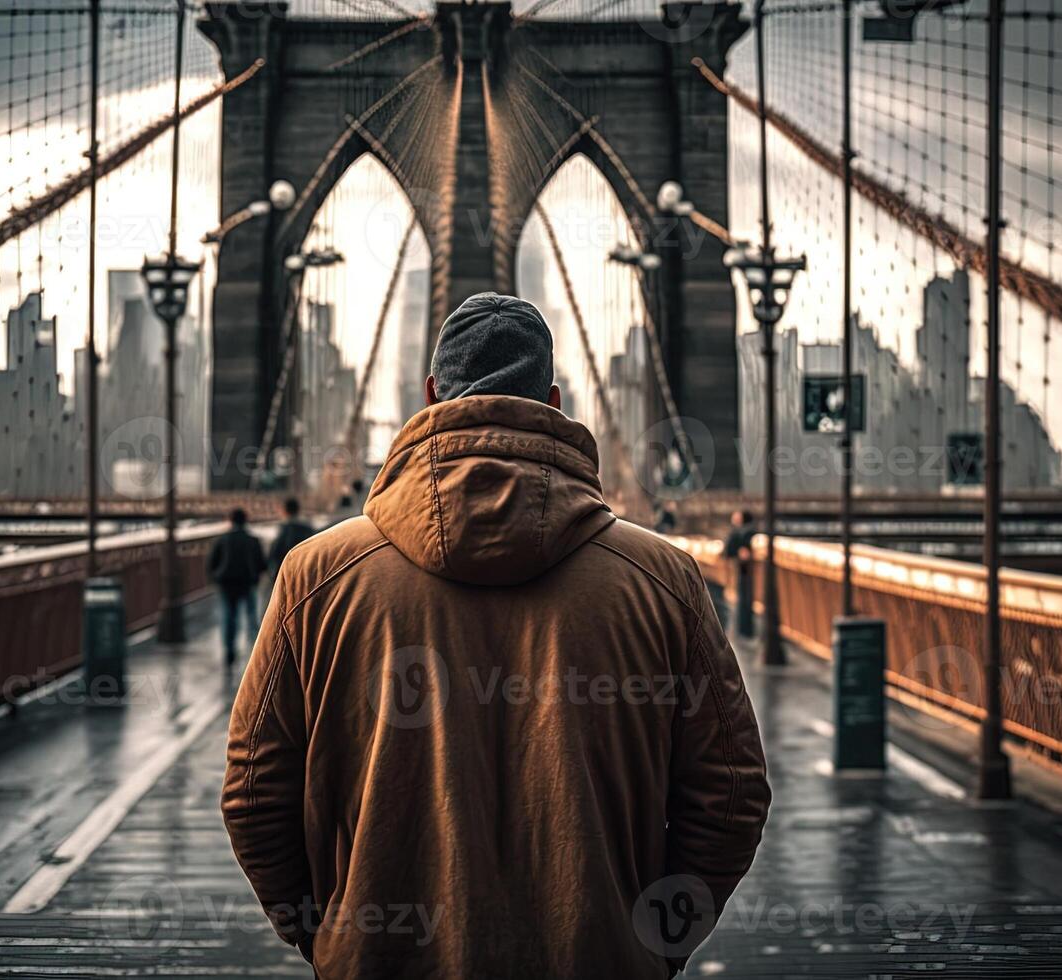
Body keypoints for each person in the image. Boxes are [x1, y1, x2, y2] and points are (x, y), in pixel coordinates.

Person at [221, 293, 769, 979]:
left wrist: (331, 937)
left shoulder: (318, 579)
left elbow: (251, 793)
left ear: (429, 397)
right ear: (554, 399)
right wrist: (655, 943)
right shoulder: (662, 580)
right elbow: (733, 792)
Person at [206, 508, 266, 665]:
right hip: (247, 582)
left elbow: (212, 563)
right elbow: (261, 563)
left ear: (231, 520)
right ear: (245, 521)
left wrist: (215, 578)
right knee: (251, 616)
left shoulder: (222, 539)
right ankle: (256, 653)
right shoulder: (252, 540)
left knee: (229, 617)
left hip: (227, 583)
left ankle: (229, 649)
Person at [722, 509, 756, 638]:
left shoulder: (744, 533)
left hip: (746, 571)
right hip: (744, 571)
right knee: (743, 601)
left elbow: (729, 549)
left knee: (744, 601)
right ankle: (745, 631)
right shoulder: (745, 532)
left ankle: (745, 631)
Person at [267, 497, 315, 581]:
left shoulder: (284, 529)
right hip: (305, 573)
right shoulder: (308, 529)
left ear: (285, 511)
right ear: (298, 510)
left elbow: (275, 554)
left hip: (286, 574)